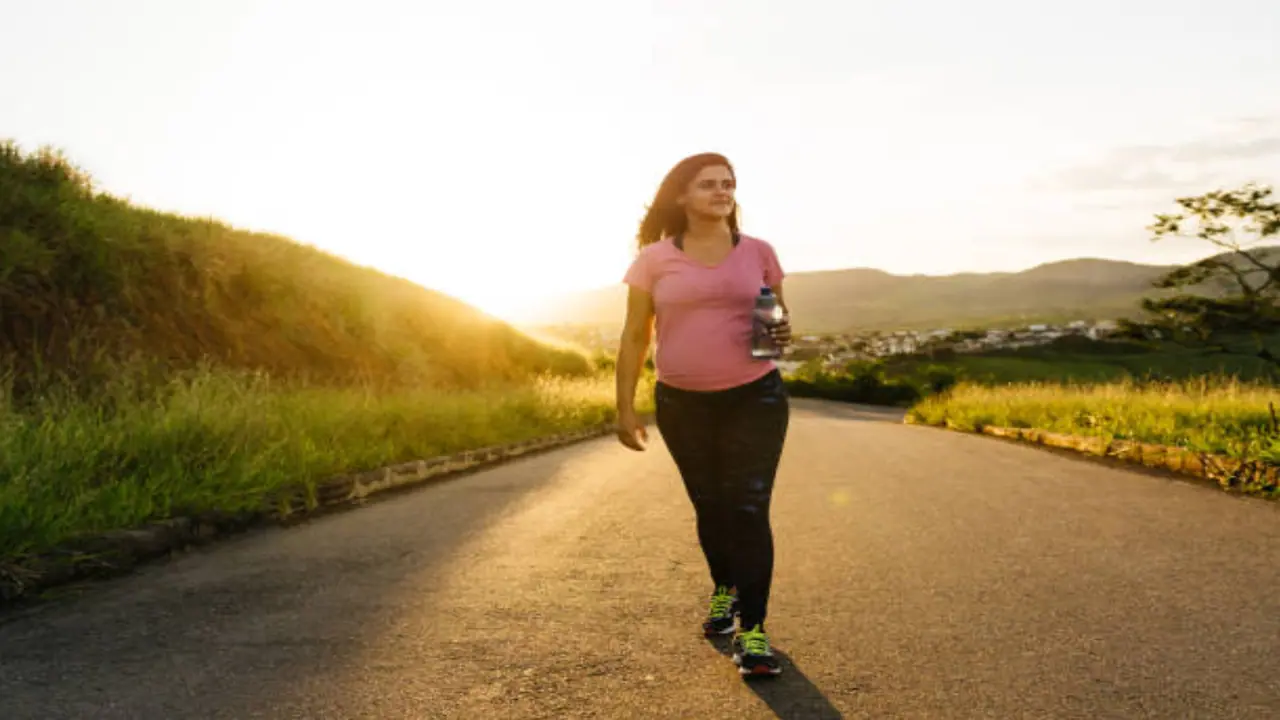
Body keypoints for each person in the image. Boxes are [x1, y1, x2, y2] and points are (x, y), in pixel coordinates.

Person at [614, 152, 792, 678]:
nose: (722, 191)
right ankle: (724, 590)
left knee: (748, 508)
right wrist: (624, 407)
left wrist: (781, 333)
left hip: (754, 395)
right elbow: (633, 335)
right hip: (682, 402)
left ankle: (754, 632)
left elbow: (778, 323)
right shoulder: (654, 259)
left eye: (728, 184)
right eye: (709, 184)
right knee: (710, 506)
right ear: (681, 197)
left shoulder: (759, 252)